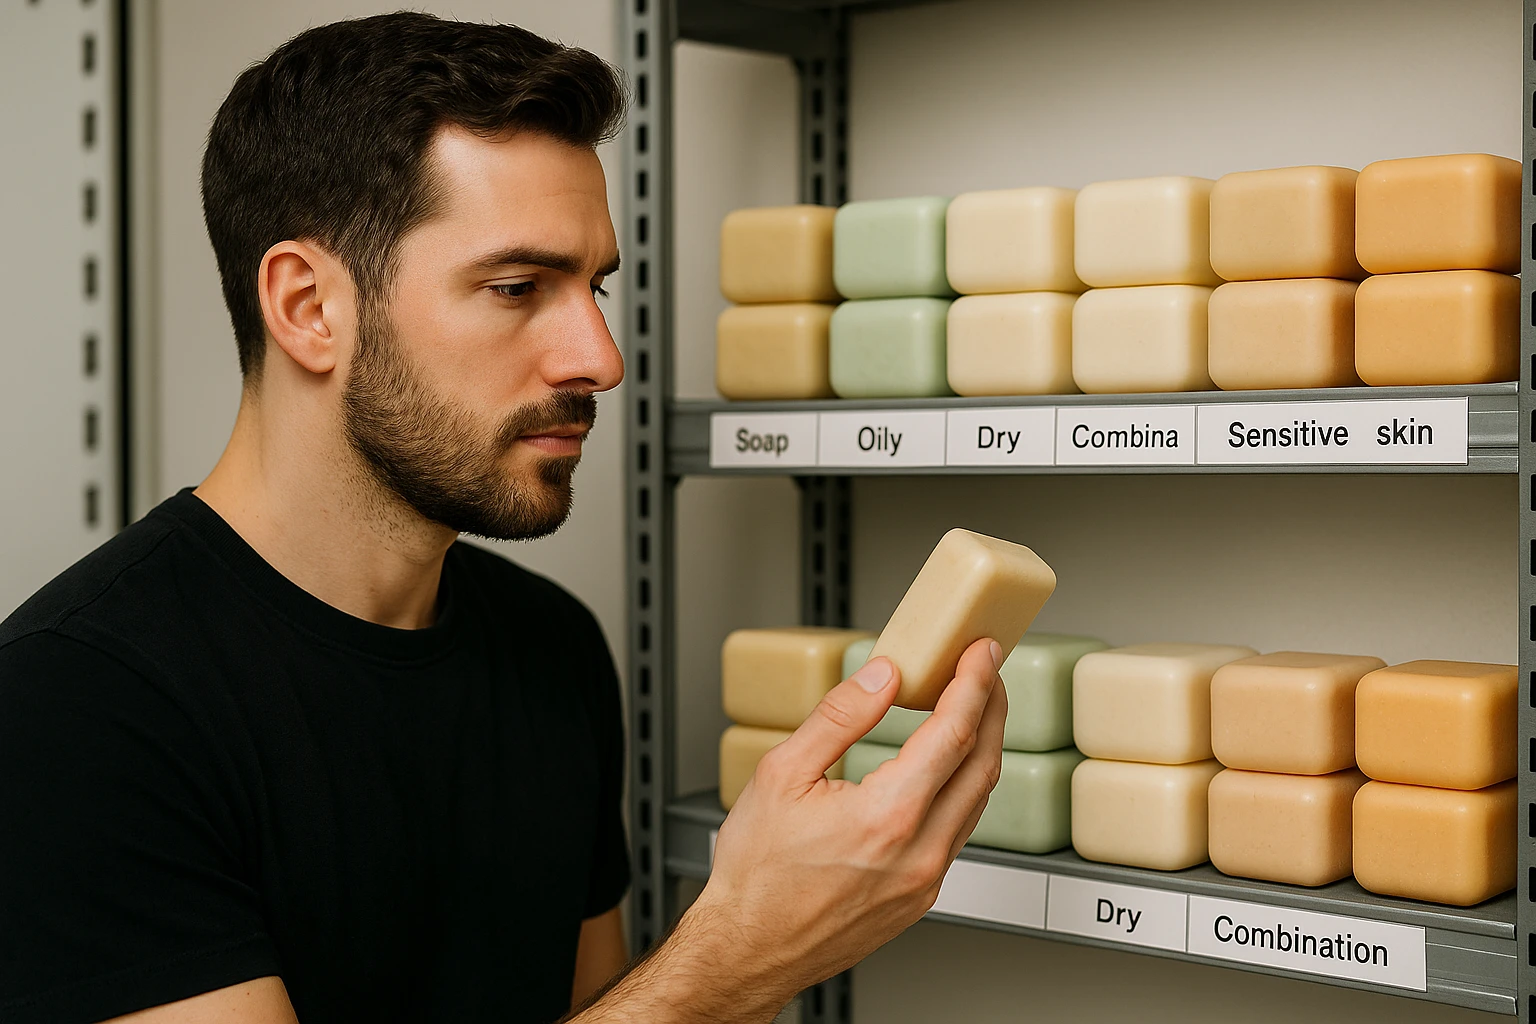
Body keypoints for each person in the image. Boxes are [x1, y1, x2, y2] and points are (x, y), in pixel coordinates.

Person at [0, 13, 1005, 1024]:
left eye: (594, 286)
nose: (601, 358)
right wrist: (734, 959)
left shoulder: (552, 651)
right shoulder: (74, 706)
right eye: (519, 286)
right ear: (308, 307)